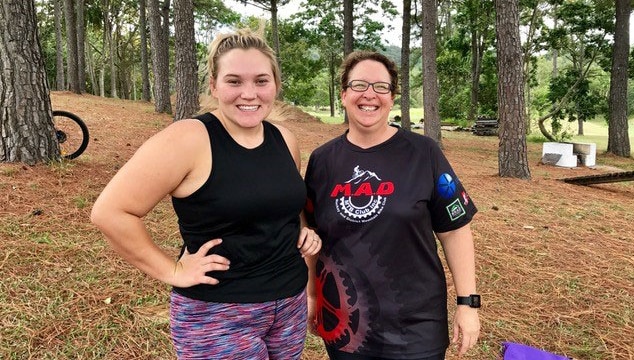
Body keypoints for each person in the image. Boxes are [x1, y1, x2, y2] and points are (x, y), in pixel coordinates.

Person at [91, 29, 321, 360]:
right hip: (218, 314)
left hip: (288, 305)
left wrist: (302, 231)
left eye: (260, 80)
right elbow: (111, 212)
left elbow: (283, 204)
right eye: (234, 81)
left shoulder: (284, 138)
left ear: (276, 85)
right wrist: (172, 271)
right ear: (213, 85)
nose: (249, 93)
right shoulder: (188, 139)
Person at [304, 51, 480, 360]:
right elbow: (311, 236)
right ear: (344, 95)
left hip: (416, 328)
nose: (369, 94)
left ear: (392, 97)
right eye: (359, 85)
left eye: (381, 87)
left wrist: (468, 304)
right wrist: (312, 296)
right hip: (347, 325)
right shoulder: (322, 161)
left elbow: (455, 231)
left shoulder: (424, 153)